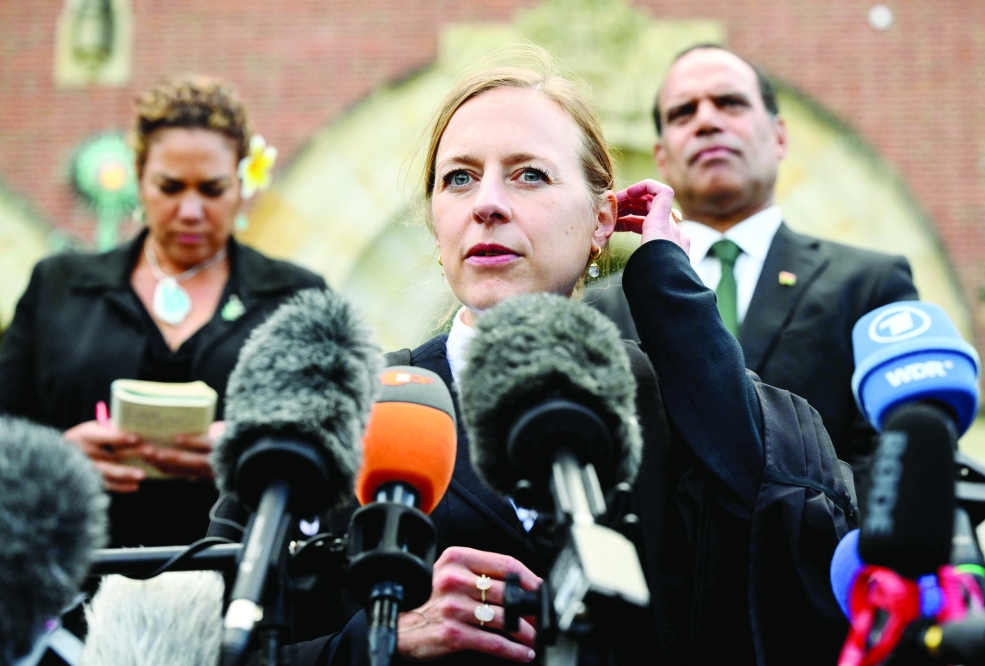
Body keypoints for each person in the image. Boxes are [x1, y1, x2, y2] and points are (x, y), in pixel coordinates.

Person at [216, 50, 852, 665]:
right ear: (436, 225)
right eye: (459, 178)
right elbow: (214, 638)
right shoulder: (345, 407)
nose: (486, 204)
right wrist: (381, 639)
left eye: (529, 174)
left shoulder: (675, 401)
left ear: (602, 221)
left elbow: (785, 530)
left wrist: (668, 282)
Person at [0, 77, 326, 548]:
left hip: (237, 570)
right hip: (75, 566)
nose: (190, 210)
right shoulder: (59, 286)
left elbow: (333, 440)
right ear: (139, 177)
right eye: (170, 187)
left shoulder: (295, 296)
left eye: (212, 189)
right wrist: (59, 458)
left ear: (240, 184)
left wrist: (250, 450)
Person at [585, 44, 918, 503]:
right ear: (661, 156)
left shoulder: (869, 285)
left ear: (779, 137)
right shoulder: (601, 306)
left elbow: (890, 458)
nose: (706, 121)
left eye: (730, 103)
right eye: (683, 113)